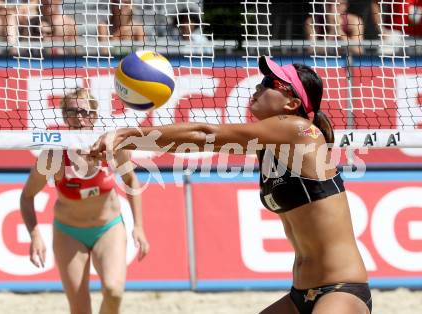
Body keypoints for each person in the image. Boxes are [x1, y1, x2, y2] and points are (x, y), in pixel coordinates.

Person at [90, 56, 372, 314]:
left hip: (341, 290)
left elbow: (205, 133)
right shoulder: (268, 146)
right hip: (300, 295)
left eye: (269, 83)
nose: (258, 87)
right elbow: (193, 143)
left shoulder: (298, 131)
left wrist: (126, 134)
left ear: (292, 103)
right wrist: (128, 140)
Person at [20, 88, 149, 314]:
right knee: (80, 310)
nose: (79, 117)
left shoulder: (111, 147)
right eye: (72, 111)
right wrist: (34, 235)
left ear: (94, 115)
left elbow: (131, 180)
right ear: (64, 117)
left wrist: (138, 226)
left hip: (107, 228)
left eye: (84, 111)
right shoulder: (54, 155)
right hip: (69, 233)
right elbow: (27, 196)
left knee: (114, 291)